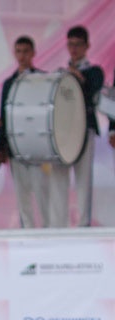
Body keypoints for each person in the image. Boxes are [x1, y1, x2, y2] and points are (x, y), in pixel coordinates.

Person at [47, 26, 103, 228]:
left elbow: (91, 91)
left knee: (83, 178)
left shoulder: (94, 72)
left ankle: (83, 224)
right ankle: (57, 225)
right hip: (62, 131)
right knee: (58, 177)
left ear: (87, 46)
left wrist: (76, 75)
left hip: (84, 128)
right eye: (70, 45)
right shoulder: (61, 74)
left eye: (78, 45)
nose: (74, 49)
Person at [0, 36, 48, 229]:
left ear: (33, 53)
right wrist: (1, 147)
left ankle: (47, 228)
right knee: (22, 191)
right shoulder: (9, 83)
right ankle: (27, 228)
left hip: (38, 144)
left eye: (26, 51)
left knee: (41, 188)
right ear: (14, 53)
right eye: (19, 51)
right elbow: (3, 116)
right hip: (15, 144)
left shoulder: (44, 79)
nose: (22, 56)